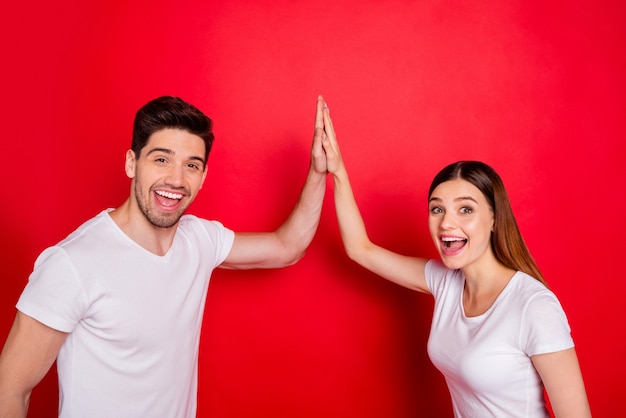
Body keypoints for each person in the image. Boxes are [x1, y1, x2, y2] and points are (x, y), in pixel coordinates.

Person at [0, 95, 330, 417]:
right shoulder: (72, 263)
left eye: (191, 165)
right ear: (132, 163)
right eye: (162, 159)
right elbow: (10, 389)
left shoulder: (199, 239)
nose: (176, 179)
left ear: (203, 177)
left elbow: (288, 247)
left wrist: (317, 172)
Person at [319, 102, 591, 417]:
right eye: (437, 209)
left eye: (465, 209)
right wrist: (337, 171)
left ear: (494, 218)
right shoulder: (446, 283)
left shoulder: (534, 307)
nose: (447, 223)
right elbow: (359, 249)